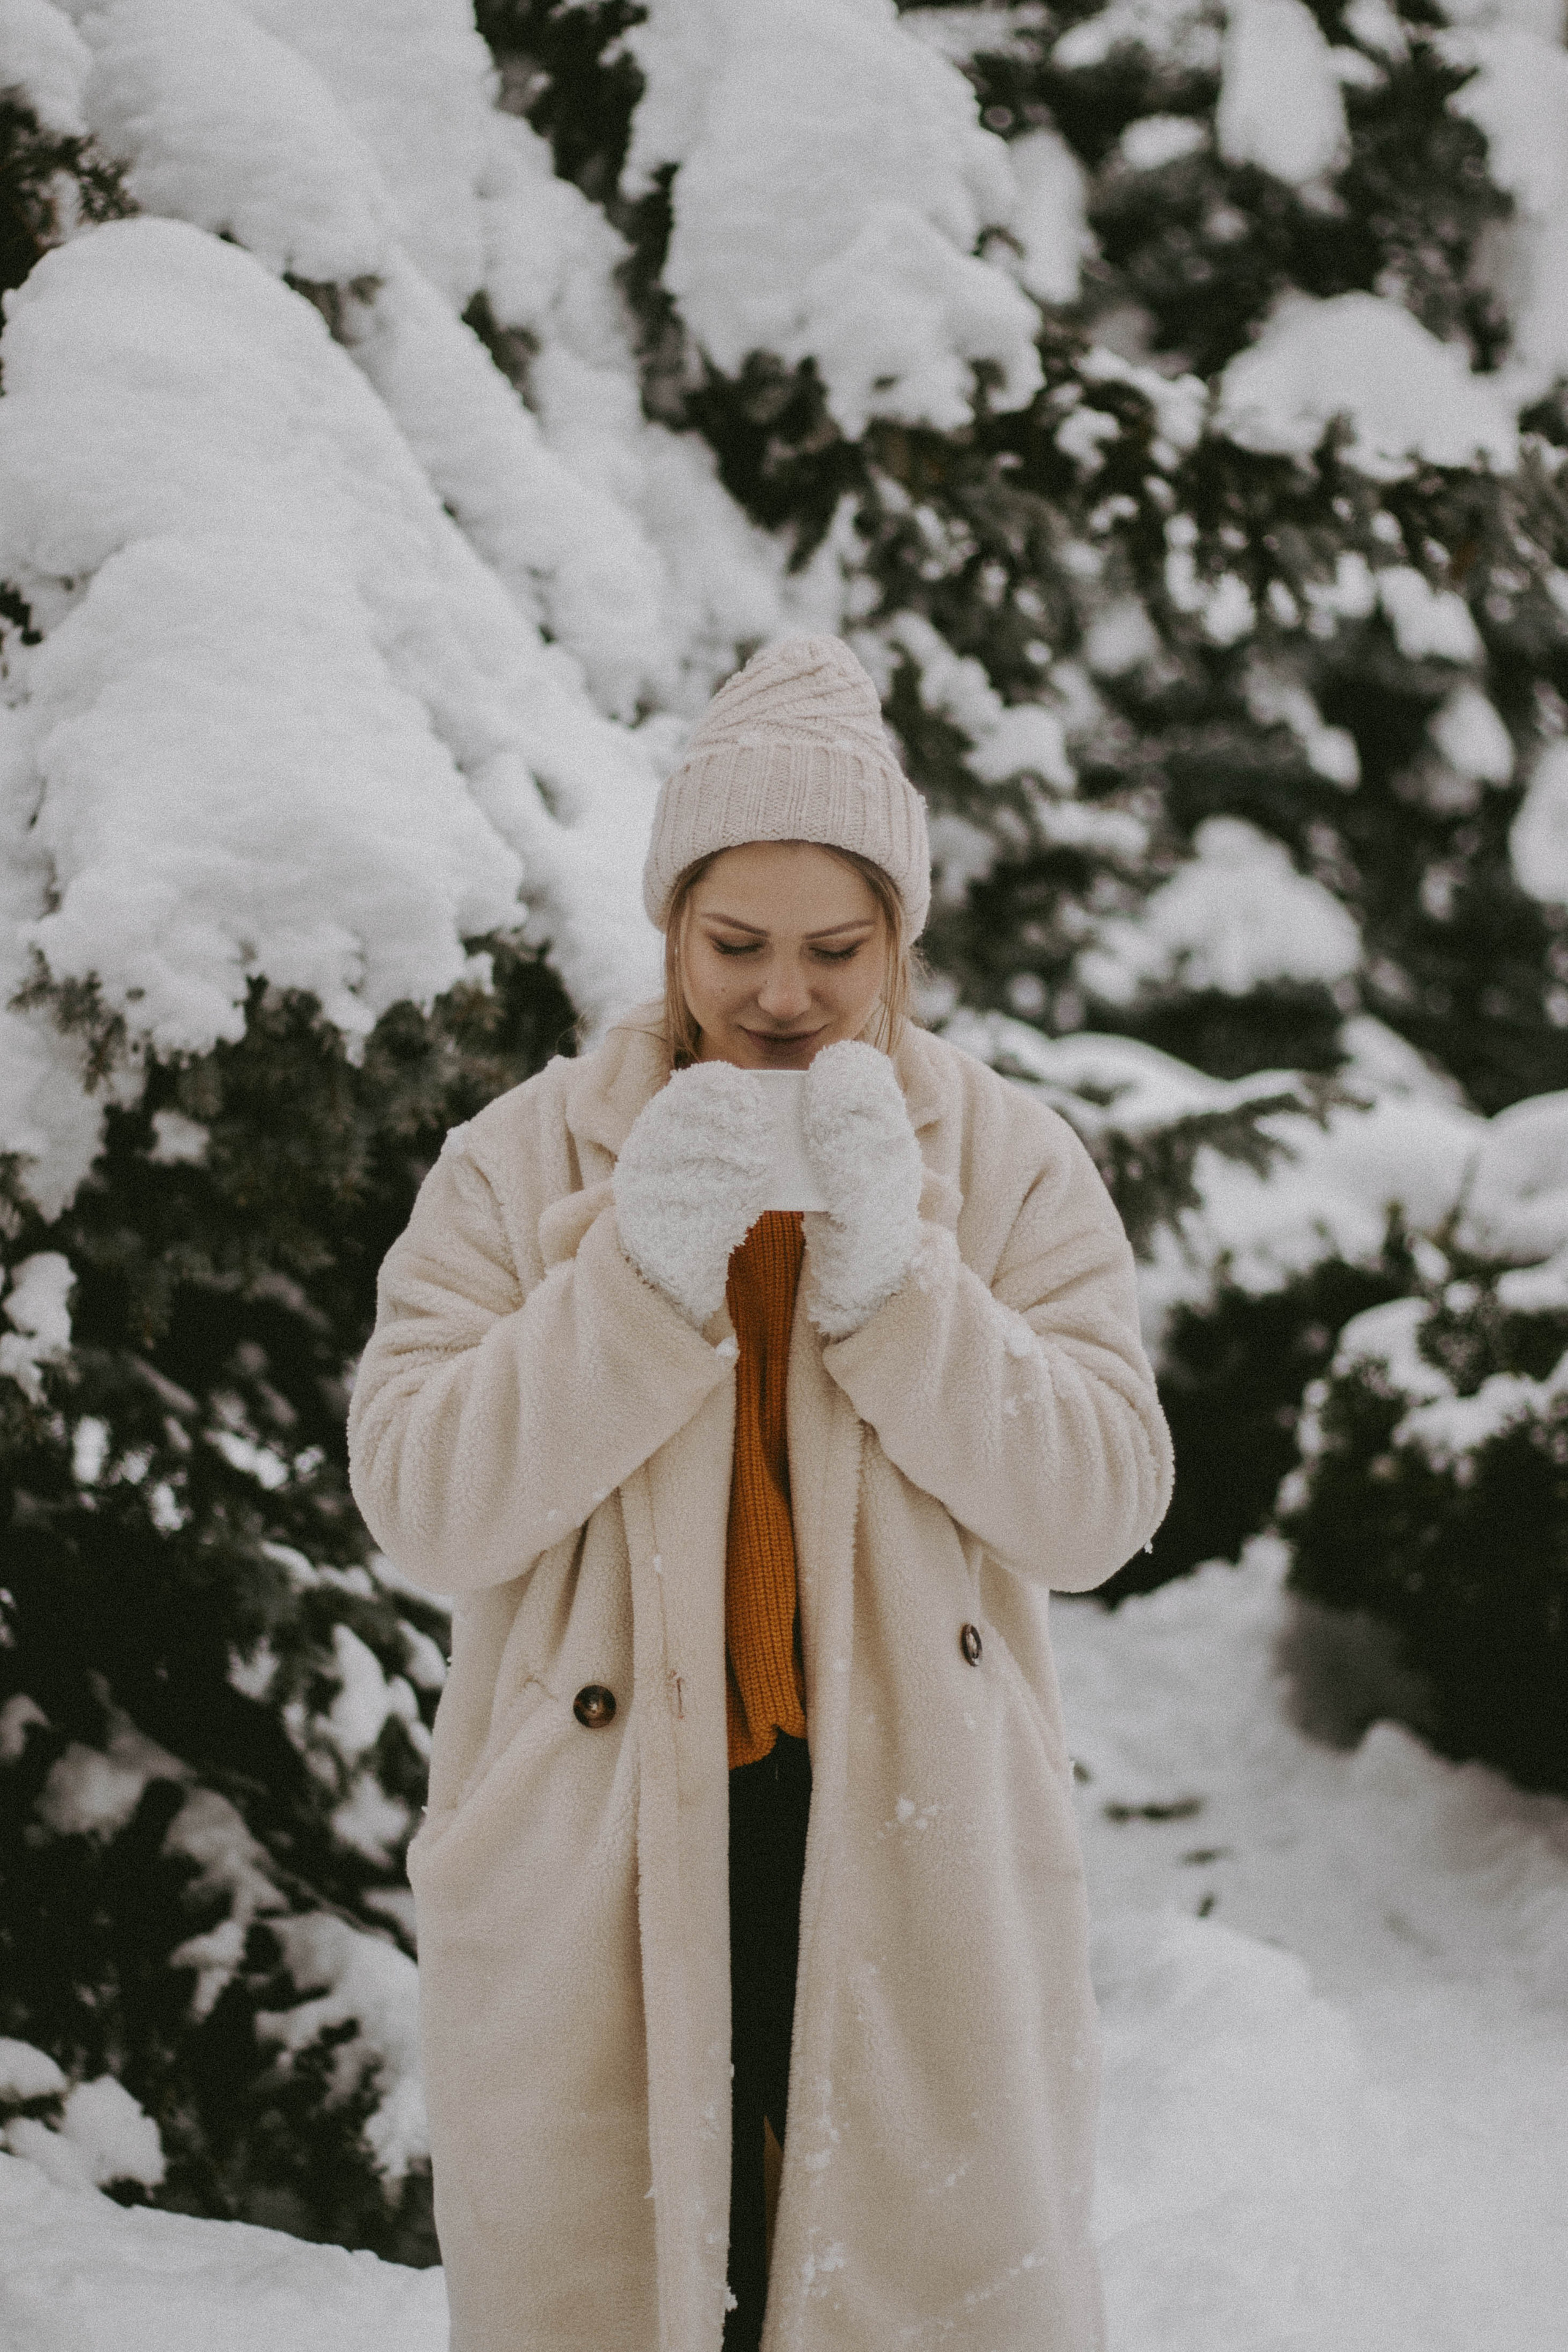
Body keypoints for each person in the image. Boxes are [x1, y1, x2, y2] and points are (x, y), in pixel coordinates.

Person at [347, 636, 1174, 2352]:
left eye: (834, 951)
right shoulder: (521, 1161)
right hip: (599, 1828)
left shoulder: (1006, 1161)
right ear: (668, 929)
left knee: (913, 2292)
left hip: (912, 1815)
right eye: (736, 945)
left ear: (903, 943)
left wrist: (902, 1289)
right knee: (619, 2294)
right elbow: (421, 1502)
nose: (783, 995)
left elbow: (1102, 1504)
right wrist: (635, 1283)